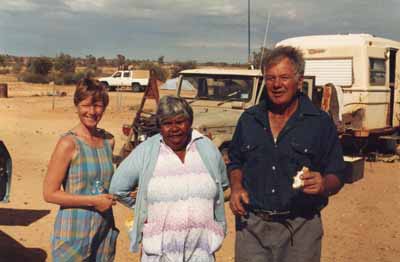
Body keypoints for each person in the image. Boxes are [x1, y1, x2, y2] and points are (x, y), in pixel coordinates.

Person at [228, 46, 346, 262]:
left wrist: (323, 184)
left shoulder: (320, 123)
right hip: (252, 227)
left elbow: (337, 173)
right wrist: (236, 187)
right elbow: (235, 161)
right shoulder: (249, 120)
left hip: (301, 228)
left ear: (299, 81)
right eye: (270, 78)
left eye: (284, 77)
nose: (276, 85)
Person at [109, 95, 228, 262]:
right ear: (160, 126)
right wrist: (145, 207)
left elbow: (221, 184)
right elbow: (117, 189)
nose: (174, 128)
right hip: (161, 253)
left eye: (180, 121)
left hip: (201, 252)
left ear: (190, 122)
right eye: (167, 123)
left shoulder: (206, 148)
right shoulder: (147, 150)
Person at [43, 78, 119, 261]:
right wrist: (93, 201)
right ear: (77, 105)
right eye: (86, 105)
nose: (92, 112)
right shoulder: (68, 143)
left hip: (103, 230)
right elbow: (49, 193)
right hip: (74, 233)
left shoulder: (109, 141)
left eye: (98, 106)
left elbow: (104, 184)